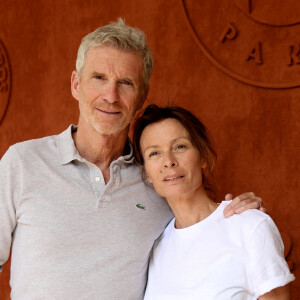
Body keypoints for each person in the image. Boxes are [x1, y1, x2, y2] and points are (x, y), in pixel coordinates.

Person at [0, 19, 264, 299]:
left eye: (125, 83)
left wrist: (241, 216)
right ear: (76, 85)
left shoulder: (159, 179)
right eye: (99, 78)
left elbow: (203, 230)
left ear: (141, 97)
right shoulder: (22, 162)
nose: (110, 96)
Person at [132, 104, 295, 300]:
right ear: (147, 174)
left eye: (180, 146)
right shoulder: (155, 248)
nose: (169, 161)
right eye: (154, 153)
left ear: (203, 157)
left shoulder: (249, 224)